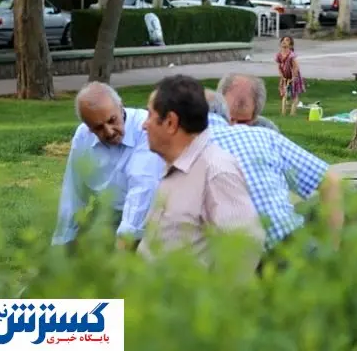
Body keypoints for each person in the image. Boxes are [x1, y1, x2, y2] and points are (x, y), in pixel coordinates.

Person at [203, 83, 344, 269]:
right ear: (227, 115)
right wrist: (331, 249)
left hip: (239, 262)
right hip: (293, 246)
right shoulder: (264, 136)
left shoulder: (184, 149)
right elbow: (331, 180)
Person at [138, 75, 265, 270]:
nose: (144, 125)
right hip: (139, 296)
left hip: (177, 299)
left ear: (171, 122)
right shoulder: (176, 166)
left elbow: (246, 244)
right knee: (78, 301)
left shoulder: (216, 170)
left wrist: (213, 298)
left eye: (150, 116)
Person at [52, 82, 164, 251]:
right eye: (98, 127)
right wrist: (62, 240)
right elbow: (73, 192)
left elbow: (142, 189)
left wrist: (124, 242)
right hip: (109, 212)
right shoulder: (83, 136)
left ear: (120, 106)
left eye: (112, 120)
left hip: (153, 215)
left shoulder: (145, 128)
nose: (109, 132)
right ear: (88, 127)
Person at [276, 36, 305, 116]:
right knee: (284, 94)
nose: (284, 41)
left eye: (287, 40)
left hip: (293, 77)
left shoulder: (291, 55)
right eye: (283, 40)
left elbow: (296, 67)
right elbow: (279, 66)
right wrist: (281, 76)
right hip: (285, 77)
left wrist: (294, 77)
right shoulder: (279, 55)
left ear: (291, 45)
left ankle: (292, 112)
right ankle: (283, 112)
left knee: (294, 95)